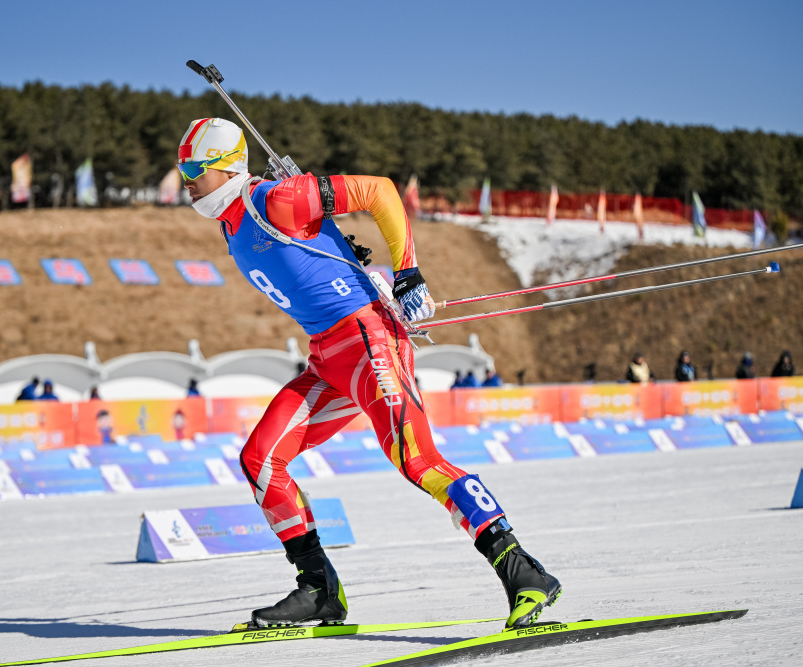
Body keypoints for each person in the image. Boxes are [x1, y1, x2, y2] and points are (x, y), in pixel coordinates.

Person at [178, 117, 559, 630]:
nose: (186, 181)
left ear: (227, 167)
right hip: (328, 358)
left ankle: (523, 571)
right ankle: (319, 590)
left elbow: (380, 191)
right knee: (261, 460)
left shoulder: (273, 200)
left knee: (417, 459)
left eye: (194, 170)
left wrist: (408, 273)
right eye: (182, 170)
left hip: (368, 340)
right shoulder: (231, 222)